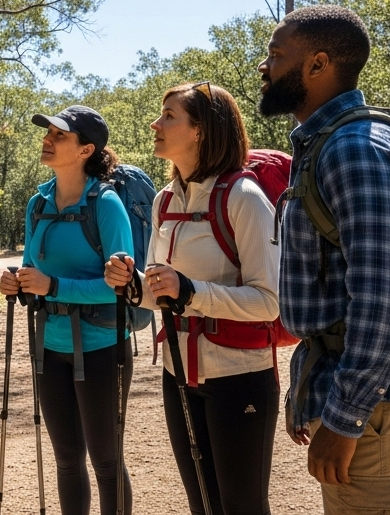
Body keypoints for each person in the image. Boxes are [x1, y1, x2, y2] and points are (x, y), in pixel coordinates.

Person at [258, 5, 390, 515]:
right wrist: (310, 391)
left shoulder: (357, 149)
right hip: (373, 407)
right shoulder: (330, 144)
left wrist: (346, 418)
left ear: (318, 64)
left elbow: (383, 297)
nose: (265, 66)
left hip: (383, 413)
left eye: (276, 55)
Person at [105, 82, 281, 515]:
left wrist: (190, 291)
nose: (156, 123)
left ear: (201, 130)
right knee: (202, 504)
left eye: (169, 116)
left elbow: (269, 302)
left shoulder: (244, 198)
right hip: (178, 372)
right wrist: (131, 284)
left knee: (242, 507)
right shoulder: (164, 200)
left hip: (240, 375)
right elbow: (161, 292)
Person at [0, 105, 135, 515]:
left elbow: (121, 288)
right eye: (48, 133)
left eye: (60, 135)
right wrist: (17, 283)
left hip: (102, 347)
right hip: (50, 345)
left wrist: (54, 286)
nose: (48, 139)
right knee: (67, 460)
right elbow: (32, 271)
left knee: (106, 463)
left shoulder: (106, 205)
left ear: (85, 150)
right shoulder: (37, 203)